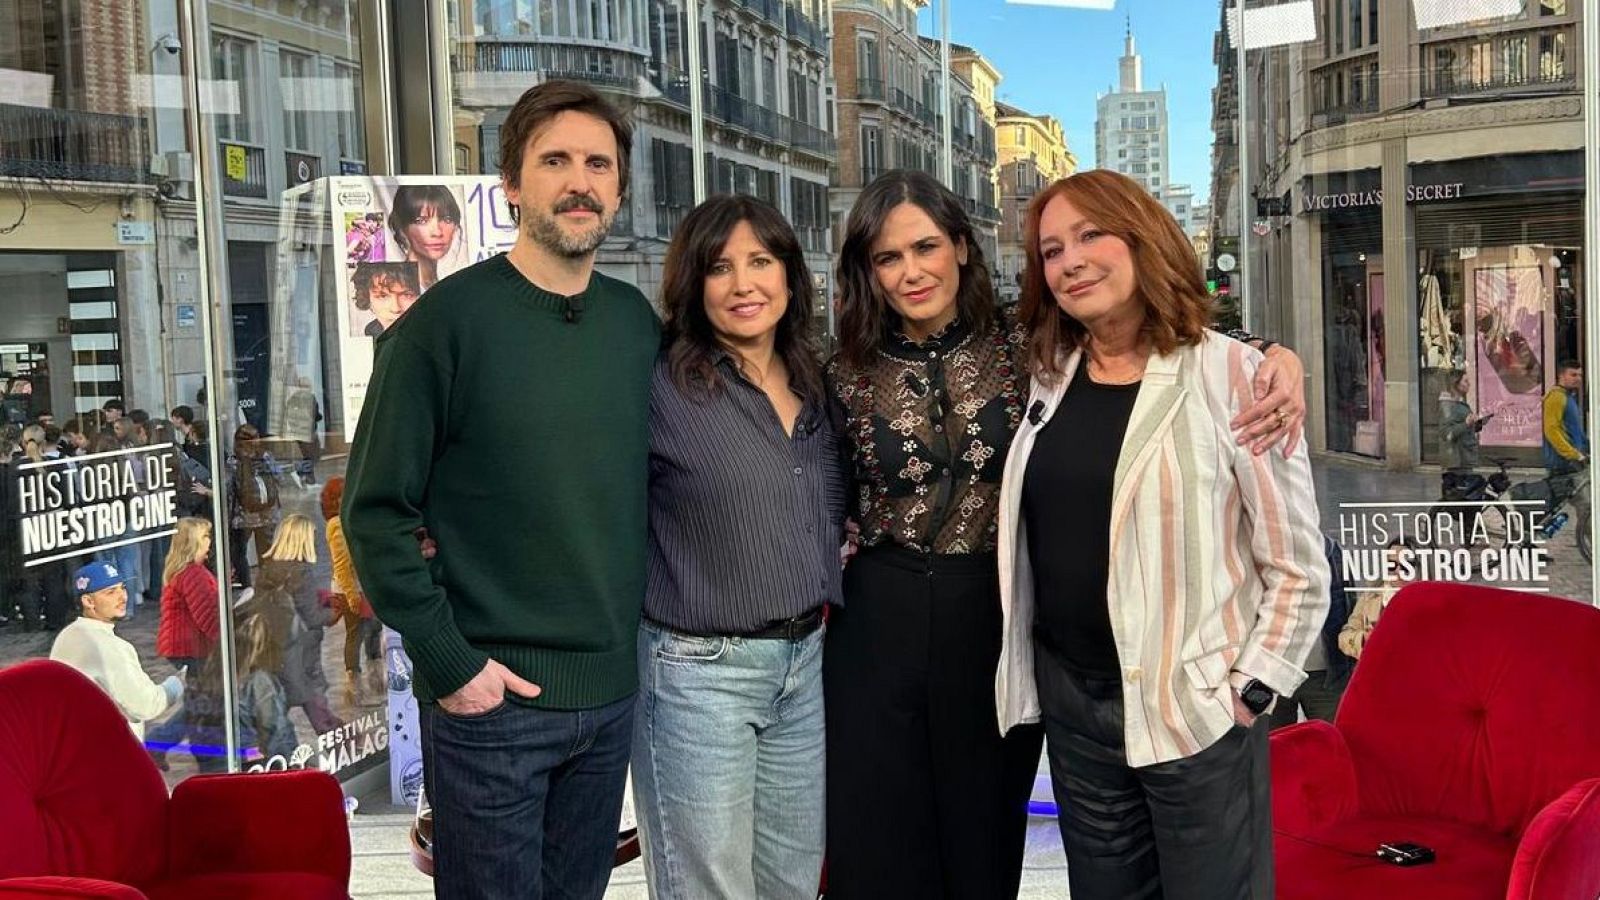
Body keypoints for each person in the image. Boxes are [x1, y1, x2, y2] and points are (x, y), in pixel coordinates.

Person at [823, 169, 1307, 899]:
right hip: (882, 628)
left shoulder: (1029, 345)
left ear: (961, 247)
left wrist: (1276, 357)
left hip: (993, 625)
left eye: (925, 246)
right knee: (877, 847)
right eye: (887, 258)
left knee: (984, 845)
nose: (910, 270)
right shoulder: (842, 368)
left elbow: (1169, 338)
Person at [342, 79, 657, 900]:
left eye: (598, 163)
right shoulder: (441, 327)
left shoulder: (635, 325)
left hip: (611, 700)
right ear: (512, 183)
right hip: (492, 707)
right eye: (554, 161)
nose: (578, 181)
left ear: (619, 188)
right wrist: (450, 663)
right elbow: (373, 513)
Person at [996, 169, 1329, 900]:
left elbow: (1299, 564)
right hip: (1076, 712)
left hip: (1195, 709)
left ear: (1144, 239)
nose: (1070, 262)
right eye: (1051, 251)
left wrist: (1251, 690)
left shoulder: (1234, 376)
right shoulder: (1045, 375)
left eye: (1091, 236)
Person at [632, 195, 844, 899]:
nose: (744, 284)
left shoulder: (814, 378)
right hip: (698, 673)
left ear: (789, 274)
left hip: (805, 661)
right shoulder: (660, 385)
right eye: (720, 268)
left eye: (761, 261)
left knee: (791, 880)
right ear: (693, 285)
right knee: (710, 888)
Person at [49, 561, 183, 739]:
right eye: (110, 592)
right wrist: (178, 684)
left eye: (123, 588)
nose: (122, 597)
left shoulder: (67, 636)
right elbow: (146, 705)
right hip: (110, 754)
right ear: (88, 601)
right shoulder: (111, 647)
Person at [253, 514, 342, 734]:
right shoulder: (300, 572)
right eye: (311, 536)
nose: (314, 541)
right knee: (315, 702)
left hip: (275, 648)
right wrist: (336, 611)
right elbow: (313, 617)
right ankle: (344, 747)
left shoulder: (267, 570)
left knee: (283, 703)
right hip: (302, 651)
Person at [148, 517, 222, 771]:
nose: (209, 542)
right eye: (205, 537)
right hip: (192, 647)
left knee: (200, 699)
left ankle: (161, 743)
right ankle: (164, 743)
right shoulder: (193, 573)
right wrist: (226, 644)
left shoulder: (188, 571)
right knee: (203, 701)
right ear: (191, 543)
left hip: (187, 646)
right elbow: (207, 616)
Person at [323, 477, 383, 706]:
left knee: (373, 632)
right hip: (351, 590)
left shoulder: (352, 518)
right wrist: (351, 595)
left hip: (364, 587)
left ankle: (376, 683)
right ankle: (355, 688)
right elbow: (341, 564)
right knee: (355, 635)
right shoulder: (337, 525)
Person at [228, 423, 281, 588]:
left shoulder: (233, 461)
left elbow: (229, 489)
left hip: (244, 516)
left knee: (238, 551)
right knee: (266, 552)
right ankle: (268, 585)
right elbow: (280, 478)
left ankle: (246, 585)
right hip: (268, 513)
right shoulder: (266, 456)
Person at [389, 184, 465, 290]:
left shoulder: (450, 285)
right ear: (402, 228)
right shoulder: (394, 289)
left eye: (447, 219)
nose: (437, 232)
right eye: (422, 221)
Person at [352, 262, 423, 337]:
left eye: (407, 295)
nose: (395, 309)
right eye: (383, 296)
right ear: (367, 298)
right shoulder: (371, 331)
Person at [1542, 359, 1587, 477]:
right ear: (1561, 375)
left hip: (1573, 460)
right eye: (1573, 375)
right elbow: (1551, 430)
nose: (1578, 378)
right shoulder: (1556, 397)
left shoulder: (1568, 396)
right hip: (1562, 464)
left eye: (1580, 375)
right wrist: (1573, 454)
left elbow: (1574, 429)